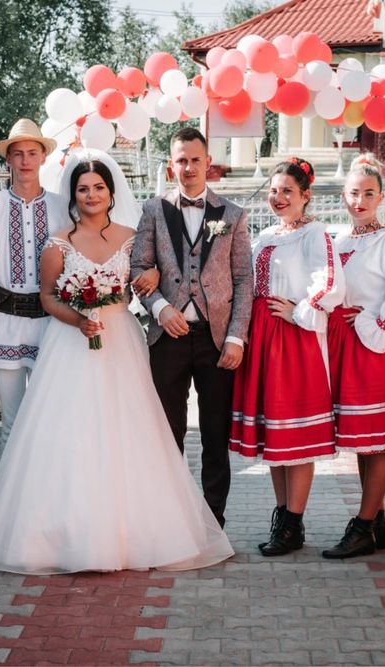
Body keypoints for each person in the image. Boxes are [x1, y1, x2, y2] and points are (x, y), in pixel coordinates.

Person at [0, 152, 233, 574]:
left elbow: (151, 278)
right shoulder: (59, 242)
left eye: (98, 188)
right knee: (68, 433)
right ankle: (62, 534)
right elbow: (48, 296)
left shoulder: (133, 237)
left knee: (125, 430)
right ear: (72, 195)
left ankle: (131, 532)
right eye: (83, 189)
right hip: (69, 345)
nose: (91, 195)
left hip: (121, 344)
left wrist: (148, 281)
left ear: (111, 193)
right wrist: (78, 318)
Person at [130, 127, 254, 528]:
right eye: (180, 160)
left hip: (216, 341)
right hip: (167, 339)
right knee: (167, 433)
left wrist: (236, 336)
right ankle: (169, 518)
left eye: (195, 160)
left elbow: (243, 280)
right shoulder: (153, 211)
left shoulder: (232, 215)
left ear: (207, 163)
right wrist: (161, 307)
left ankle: (213, 521)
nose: (188, 167)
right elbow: (137, 268)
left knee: (215, 436)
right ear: (171, 164)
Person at [230, 158, 345, 557]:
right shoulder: (267, 235)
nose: (278, 198)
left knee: (295, 435)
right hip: (263, 337)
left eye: (287, 192)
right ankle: (283, 517)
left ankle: (294, 522)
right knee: (275, 438)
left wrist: (298, 310)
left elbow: (330, 282)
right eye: (274, 191)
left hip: (293, 339)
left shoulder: (314, 234)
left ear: (305, 196)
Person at [323, 153, 385, 559]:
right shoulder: (340, 241)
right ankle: (375, 519)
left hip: (370, 347)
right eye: (353, 193)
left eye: (368, 193)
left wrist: (375, 325)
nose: (360, 201)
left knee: (375, 441)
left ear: (381, 197)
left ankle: (363, 525)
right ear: (344, 197)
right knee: (360, 441)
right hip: (342, 346)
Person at [0, 119, 68, 446]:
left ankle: (45, 495)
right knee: (12, 422)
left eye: (33, 153)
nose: (26, 161)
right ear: (9, 159)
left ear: (44, 157)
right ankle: (10, 497)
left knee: (49, 418)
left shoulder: (61, 206)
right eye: (18, 154)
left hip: (51, 323)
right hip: (7, 320)